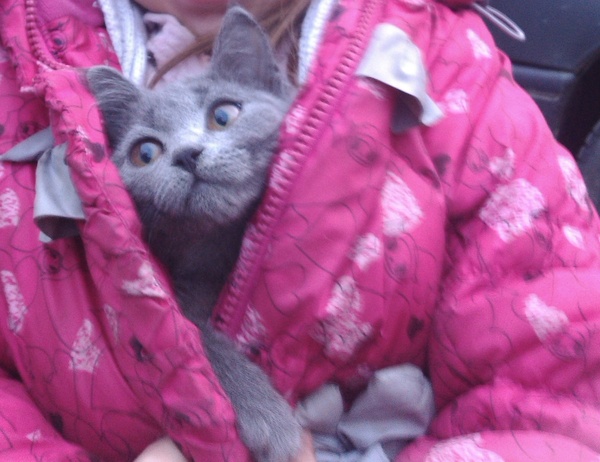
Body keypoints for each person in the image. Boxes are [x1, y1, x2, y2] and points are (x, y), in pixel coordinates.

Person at [0, 0, 599, 461]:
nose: (187, 151)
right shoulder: (18, 87)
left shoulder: (446, 72)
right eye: (148, 150)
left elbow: (558, 398)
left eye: (221, 116)